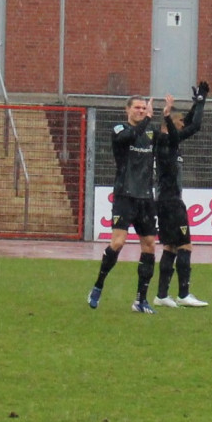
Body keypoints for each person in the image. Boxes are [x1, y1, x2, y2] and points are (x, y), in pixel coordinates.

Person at [87, 95, 175, 314]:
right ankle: (98, 285)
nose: (141, 111)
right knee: (118, 242)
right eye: (137, 107)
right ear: (127, 110)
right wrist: (149, 119)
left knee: (149, 245)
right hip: (124, 195)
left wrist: (167, 117)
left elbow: (172, 140)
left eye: (144, 108)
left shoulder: (150, 132)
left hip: (145, 198)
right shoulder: (120, 129)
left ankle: (140, 300)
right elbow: (131, 135)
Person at [151, 82, 210, 309]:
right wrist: (200, 103)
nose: (183, 124)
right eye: (179, 122)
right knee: (185, 246)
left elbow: (192, 123)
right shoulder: (164, 140)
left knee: (170, 247)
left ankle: (161, 295)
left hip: (165, 201)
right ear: (169, 125)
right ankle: (184, 294)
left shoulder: (170, 141)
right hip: (171, 202)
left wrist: (199, 102)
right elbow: (194, 126)